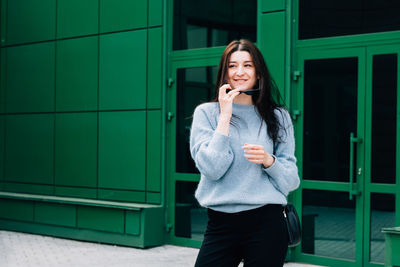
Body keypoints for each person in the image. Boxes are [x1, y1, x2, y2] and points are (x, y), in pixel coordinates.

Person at [189, 39, 300, 267]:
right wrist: (225, 117)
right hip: (220, 223)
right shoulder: (207, 113)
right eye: (232, 66)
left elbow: (291, 181)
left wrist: (270, 161)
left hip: (266, 222)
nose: (240, 72)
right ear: (224, 73)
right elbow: (212, 169)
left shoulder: (279, 117)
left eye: (248, 65)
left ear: (258, 72)